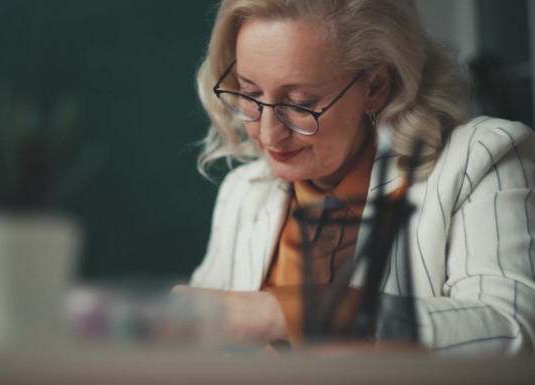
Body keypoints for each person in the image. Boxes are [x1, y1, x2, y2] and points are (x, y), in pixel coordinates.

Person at [175, 0, 535, 355]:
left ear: (376, 86)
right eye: (250, 93)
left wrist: (287, 313)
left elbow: (514, 333)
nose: (268, 135)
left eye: (300, 103)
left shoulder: (482, 157)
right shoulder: (243, 191)